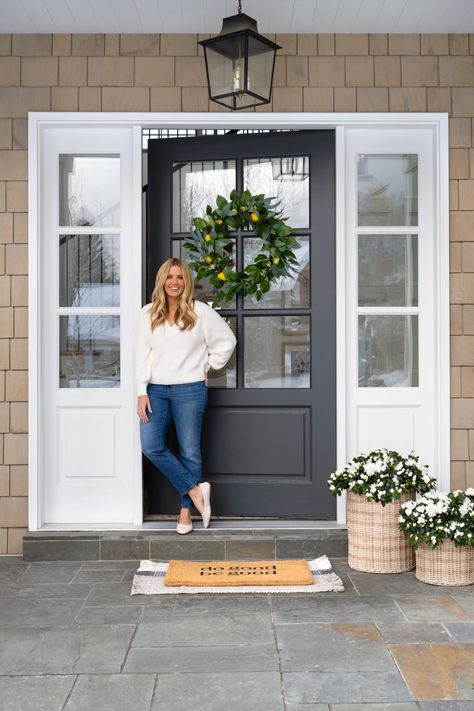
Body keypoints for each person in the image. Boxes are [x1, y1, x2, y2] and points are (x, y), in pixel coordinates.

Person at [136, 258, 236, 534]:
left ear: (186, 281)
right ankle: (195, 490)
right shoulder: (148, 313)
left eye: (180, 277)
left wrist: (208, 366)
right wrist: (140, 391)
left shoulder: (200, 312)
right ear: (162, 281)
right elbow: (141, 355)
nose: (175, 282)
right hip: (156, 390)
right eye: (169, 277)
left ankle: (184, 512)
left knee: (189, 450)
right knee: (151, 445)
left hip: (190, 389)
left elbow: (227, 342)